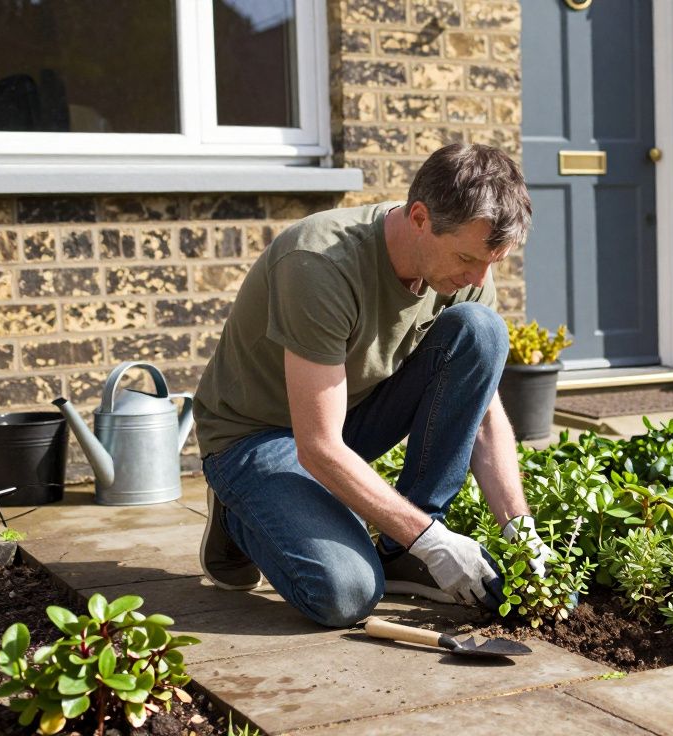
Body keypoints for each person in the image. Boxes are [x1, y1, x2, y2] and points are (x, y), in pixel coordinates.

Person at [193, 142, 553, 627]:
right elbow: (317, 446)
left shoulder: (465, 271)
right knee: (346, 594)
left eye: (492, 262)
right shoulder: (320, 263)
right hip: (255, 438)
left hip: (345, 420)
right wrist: (433, 541)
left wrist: (520, 527)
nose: (478, 277)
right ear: (421, 218)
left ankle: (403, 547)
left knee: (482, 331)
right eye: (467, 258)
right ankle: (238, 516)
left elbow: (484, 415)